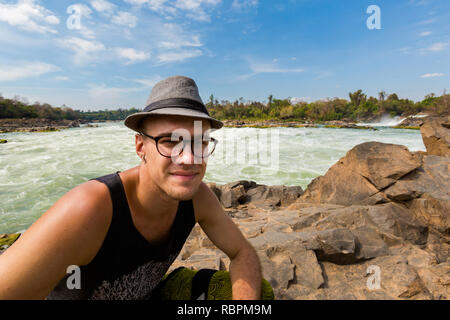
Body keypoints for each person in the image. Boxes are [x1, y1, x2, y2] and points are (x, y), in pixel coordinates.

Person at [0, 75, 262, 300]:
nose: (189, 159)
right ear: (140, 147)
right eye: (171, 142)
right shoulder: (90, 208)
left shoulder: (197, 198)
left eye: (200, 143)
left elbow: (242, 252)